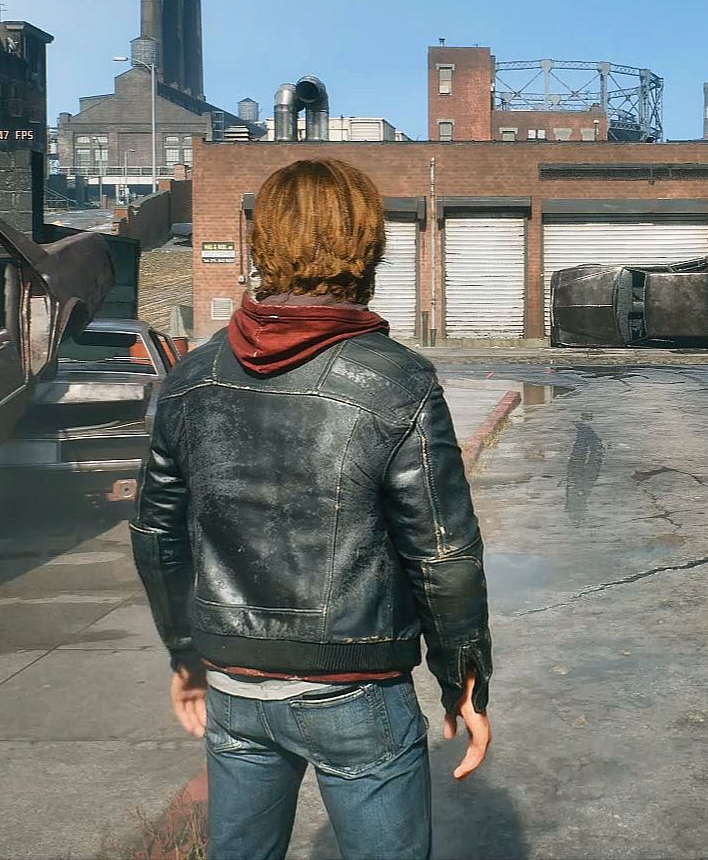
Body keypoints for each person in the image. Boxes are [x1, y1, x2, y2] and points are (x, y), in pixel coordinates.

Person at [131, 158, 493, 860]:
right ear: (368, 244)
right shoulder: (399, 381)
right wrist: (464, 682)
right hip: (357, 689)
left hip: (234, 685)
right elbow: (442, 554)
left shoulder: (190, 377)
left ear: (263, 243)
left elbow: (155, 535)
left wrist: (185, 655)